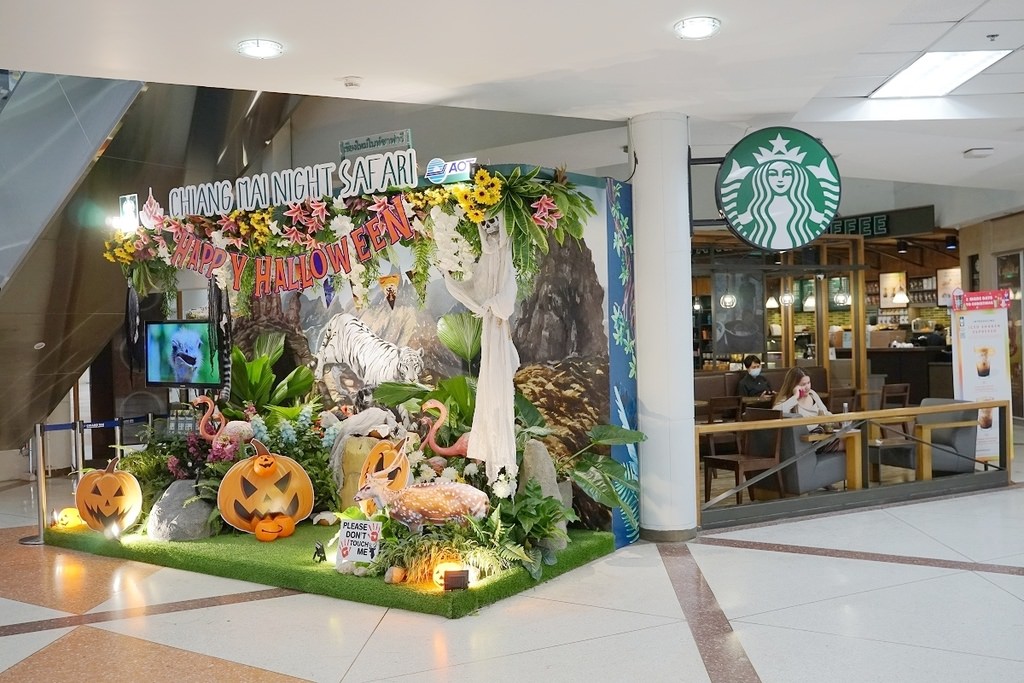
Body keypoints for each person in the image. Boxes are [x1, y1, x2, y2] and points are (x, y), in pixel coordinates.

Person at [773, 367, 831, 432]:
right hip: (801, 438)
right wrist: (795, 397)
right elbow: (776, 414)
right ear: (794, 386)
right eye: (803, 384)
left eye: (808, 383)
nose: (807, 387)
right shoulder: (788, 399)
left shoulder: (812, 394)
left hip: (818, 434)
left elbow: (826, 413)